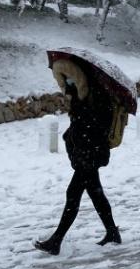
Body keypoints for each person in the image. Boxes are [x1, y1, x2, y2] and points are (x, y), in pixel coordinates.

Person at [35, 60, 120, 255]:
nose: (68, 84)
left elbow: (96, 125)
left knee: (73, 194)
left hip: (91, 153)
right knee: (95, 193)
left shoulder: (98, 96)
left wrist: (80, 118)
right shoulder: (82, 96)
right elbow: (80, 125)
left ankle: (56, 241)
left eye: (70, 80)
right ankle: (112, 232)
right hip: (86, 153)